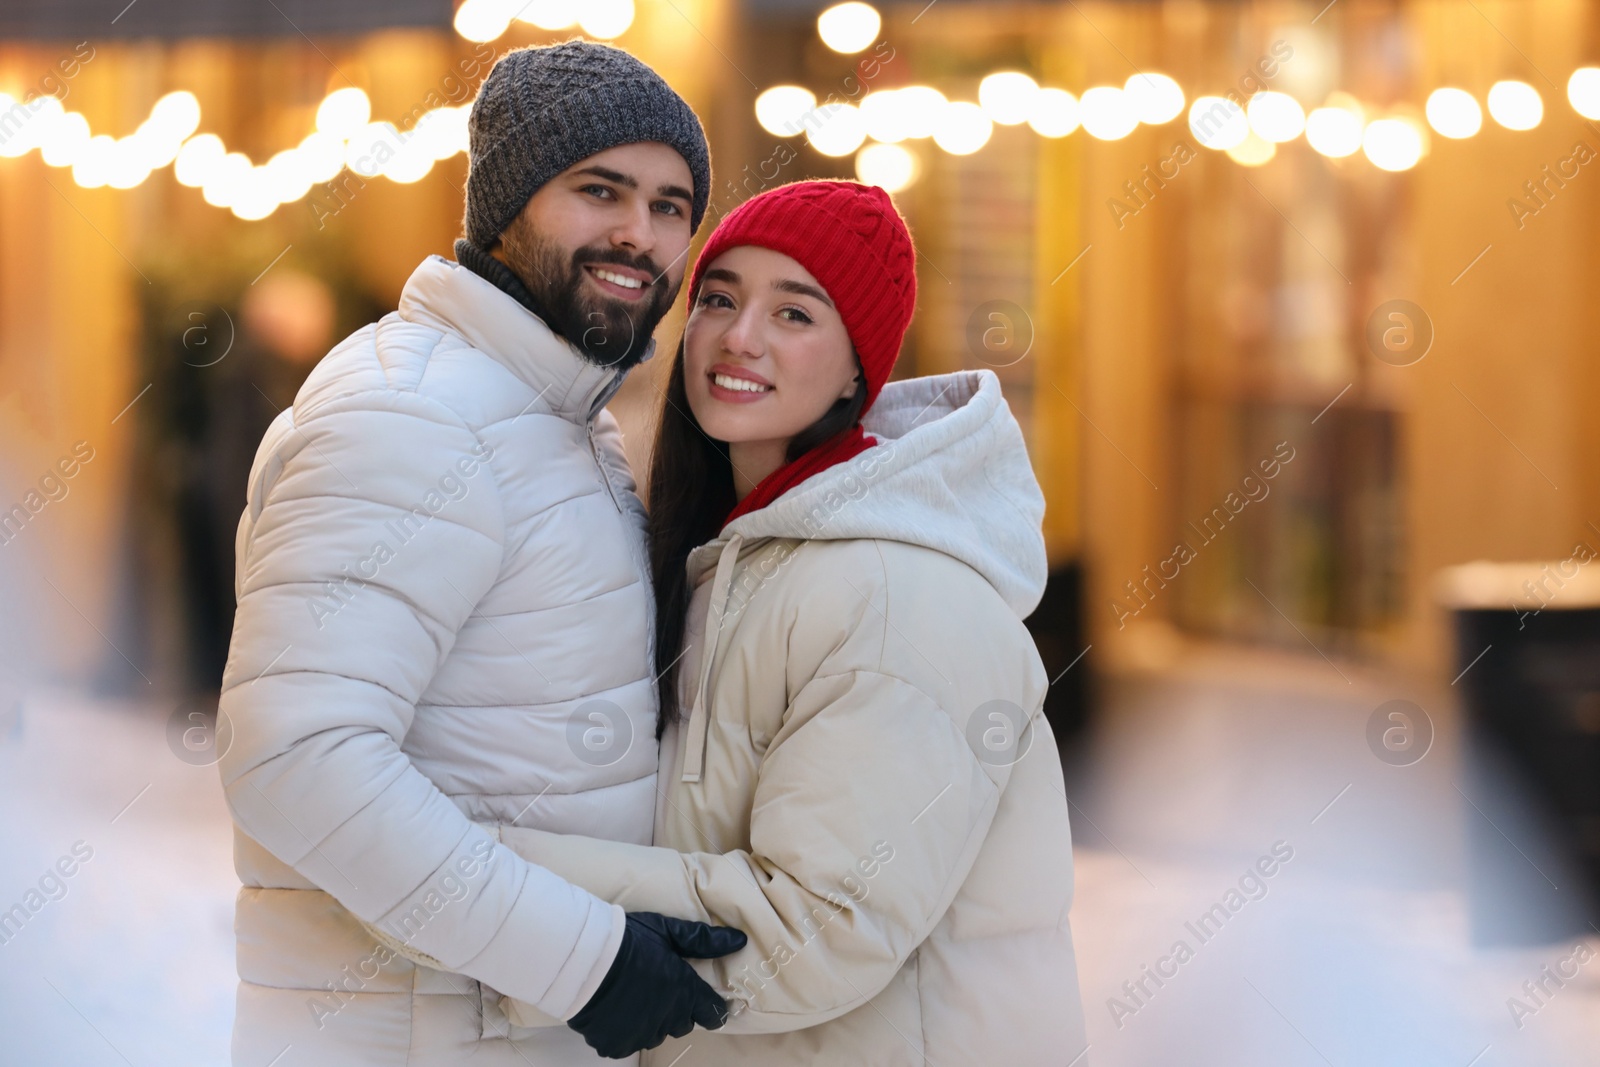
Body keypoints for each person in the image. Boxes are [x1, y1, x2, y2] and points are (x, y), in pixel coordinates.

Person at [218, 41, 744, 1066]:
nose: (639, 235)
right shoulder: (413, 415)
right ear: (506, 203)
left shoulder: (544, 412)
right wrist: (584, 960)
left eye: (672, 206)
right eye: (601, 191)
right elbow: (293, 755)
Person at [489, 180, 1088, 1063]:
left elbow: (818, 929)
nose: (740, 335)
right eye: (720, 298)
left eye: (795, 313)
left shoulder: (898, 598)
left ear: (858, 367)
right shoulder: (727, 562)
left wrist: (484, 883)